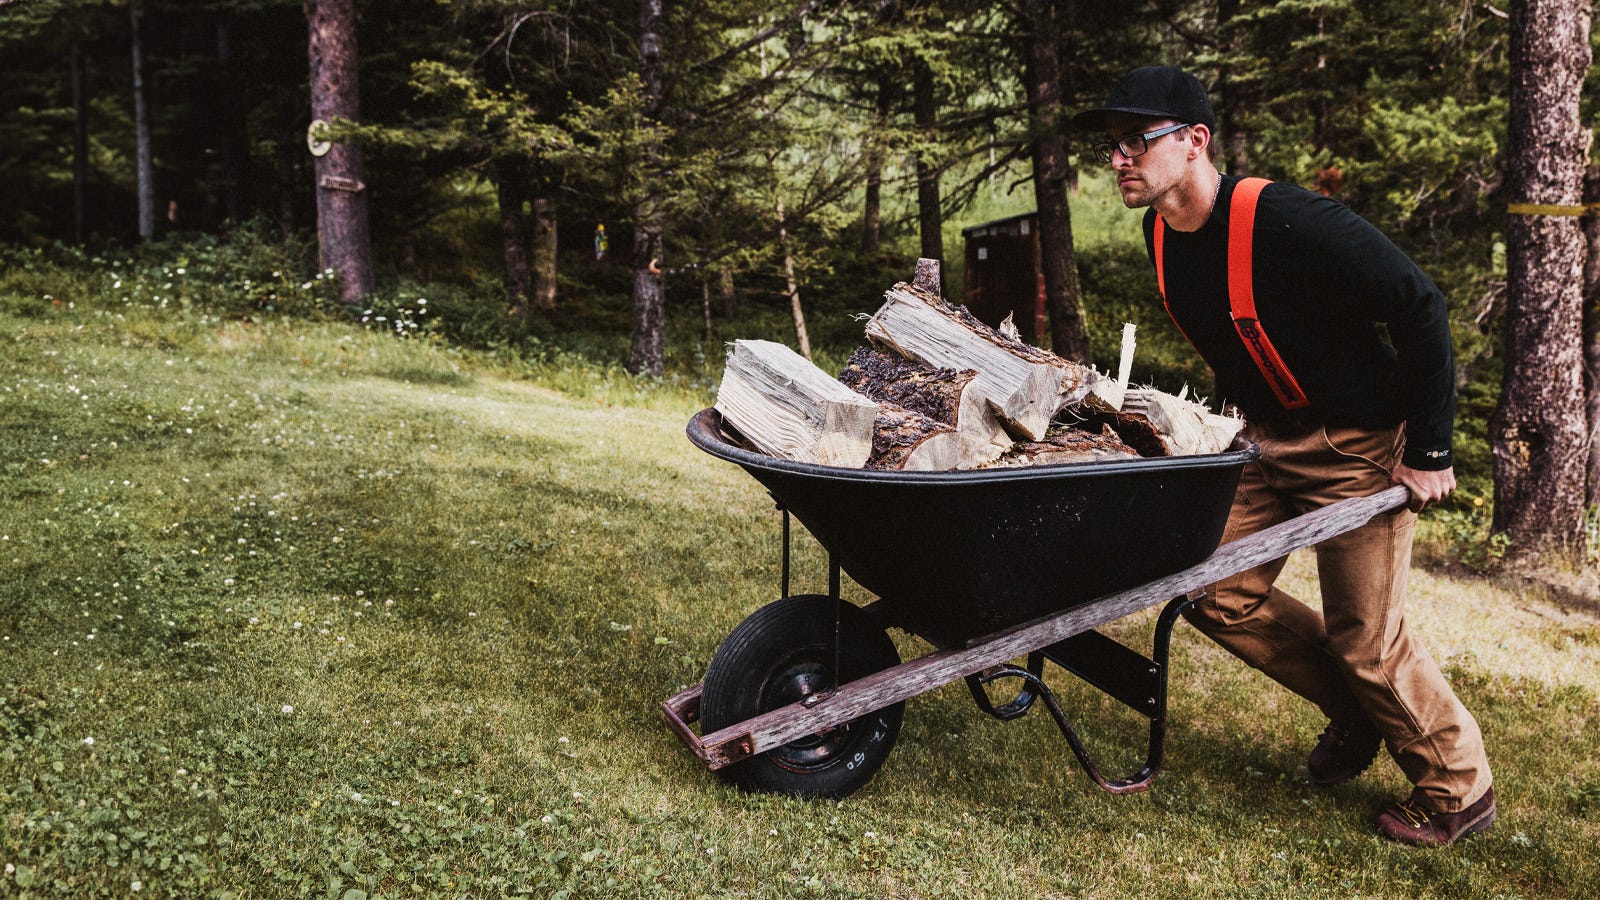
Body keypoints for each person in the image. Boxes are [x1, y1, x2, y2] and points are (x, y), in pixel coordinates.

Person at [1071, 66, 1494, 847]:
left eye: (1137, 140)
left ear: (1195, 142)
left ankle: (1458, 789)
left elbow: (1421, 304)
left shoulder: (1289, 219)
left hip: (1358, 444)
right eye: (1112, 146)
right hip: (1265, 441)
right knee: (1208, 586)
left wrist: (1432, 447)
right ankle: (1356, 710)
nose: (1119, 158)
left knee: (1367, 635)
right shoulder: (1160, 232)